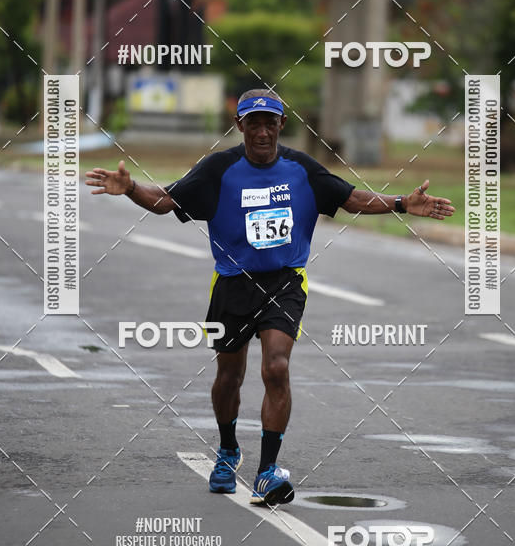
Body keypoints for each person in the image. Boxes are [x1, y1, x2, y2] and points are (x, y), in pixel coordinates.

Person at [86, 89, 455, 506]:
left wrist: (404, 203)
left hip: (284, 282)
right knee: (229, 377)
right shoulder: (218, 169)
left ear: (281, 124)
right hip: (231, 284)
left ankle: (267, 471)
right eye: (253, 122)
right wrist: (132, 187)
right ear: (240, 125)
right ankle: (228, 451)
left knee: (276, 368)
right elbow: (166, 200)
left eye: (270, 122)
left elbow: (351, 198)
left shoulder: (301, 169)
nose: (262, 130)